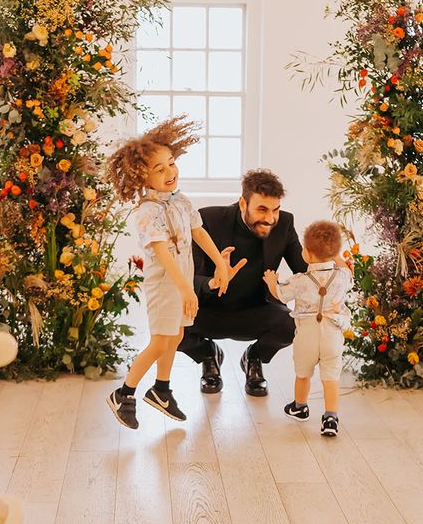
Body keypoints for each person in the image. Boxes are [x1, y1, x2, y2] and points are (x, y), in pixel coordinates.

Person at [104, 116, 230, 429]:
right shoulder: (146, 212)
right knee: (161, 341)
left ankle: (161, 389)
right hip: (165, 283)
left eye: (171, 163)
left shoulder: (182, 201)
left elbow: (199, 233)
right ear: (141, 177)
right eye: (159, 169)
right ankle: (124, 392)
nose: (170, 172)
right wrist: (186, 289)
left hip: (181, 278)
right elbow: (162, 253)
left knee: (176, 335)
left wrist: (220, 263)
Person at [178, 169, 307, 396]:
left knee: (291, 325)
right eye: (262, 209)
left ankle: (253, 358)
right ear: (242, 203)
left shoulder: (284, 223)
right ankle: (208, 355)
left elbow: (305, 270)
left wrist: (334, 267)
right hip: (208, 309)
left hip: (257, 310)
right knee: (169, 325)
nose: (270, 218)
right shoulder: (208, 220)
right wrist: (212, 282)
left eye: (275, 210)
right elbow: (188, 278)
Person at [263, 220, 352, 436]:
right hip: (332, 335)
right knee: (330, 377)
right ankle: (330, 417)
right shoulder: (342, 277)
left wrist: (271, 281)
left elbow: (281, 295)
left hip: (306, 335)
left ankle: (300, 406)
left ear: (308, 255)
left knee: (303, 373)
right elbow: (346, 271)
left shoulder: (300, 280)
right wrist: (337, 256)